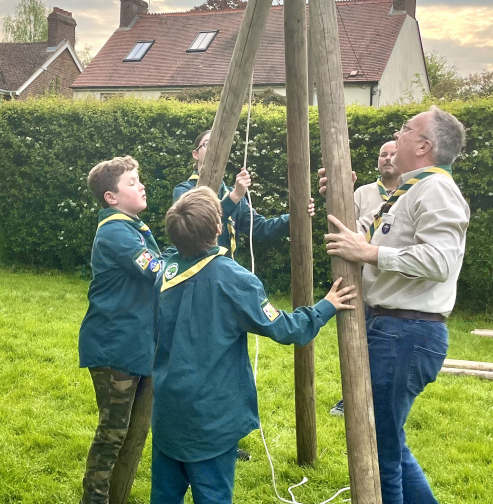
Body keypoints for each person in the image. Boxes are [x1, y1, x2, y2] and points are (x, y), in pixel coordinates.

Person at [150, 186, 356, 504]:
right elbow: (287, 329)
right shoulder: (236, 281)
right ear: (220, 229)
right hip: (211, 419)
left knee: (163, 495)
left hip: (167, 410)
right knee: (213, 495)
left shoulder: (164, 269)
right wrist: (326, 306)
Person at [322, 106, 469, 504]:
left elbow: (439, 260)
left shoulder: (436, 189)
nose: (397, 136)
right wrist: (335, 193)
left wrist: (370, 254)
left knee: (379, 445)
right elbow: (360, 236)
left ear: (424, 145)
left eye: (405, 129)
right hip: (391, 328)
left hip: (408, 331)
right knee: (386, 439)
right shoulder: (407, 190)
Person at [78, 156, 164, 504]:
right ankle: (94, 499)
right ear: (111, 197)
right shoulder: (116, 232)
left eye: (138, 179)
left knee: (128, 427)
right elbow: (155, 270)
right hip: (115, 346)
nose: (140, 185)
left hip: (134, 343)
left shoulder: (130, 228)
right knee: (113, 432)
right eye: (132, 182)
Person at [330, 140, 400, 417]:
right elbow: (346, 228)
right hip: (367, 282)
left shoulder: (413, 193)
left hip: (399, 283)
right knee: (362, 341)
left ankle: (380, 400)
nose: (387, 158)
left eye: (393, 154)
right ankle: (351, 398)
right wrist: (338, 193)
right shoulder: (364, 193)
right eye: (383, 154)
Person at [173, 130, 301, 259]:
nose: (215, 148)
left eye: (220, 144)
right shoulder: (184, 191)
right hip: (191, 272)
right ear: (195, 154)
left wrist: (296, 216)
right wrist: (234, 197)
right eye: (208, 144)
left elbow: (262, 229)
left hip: (223, 274)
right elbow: (196, 224)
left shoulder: (232, 194)